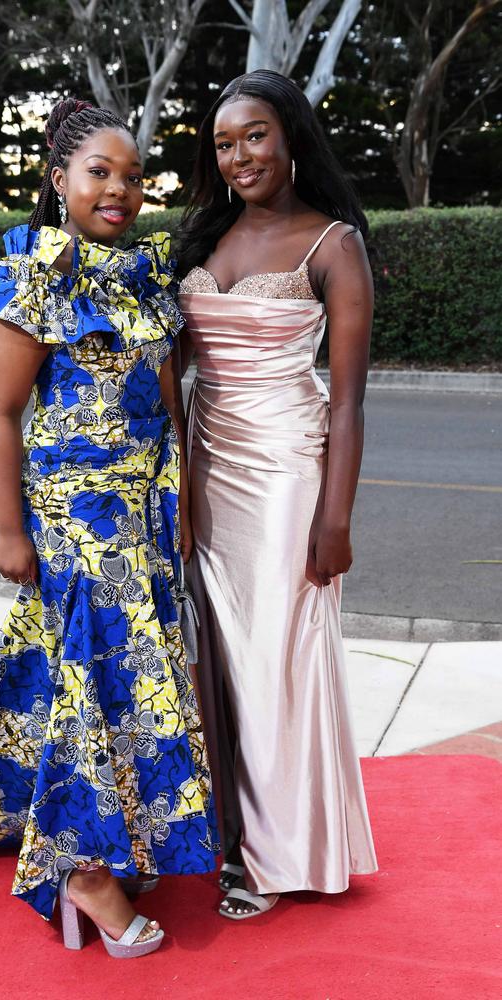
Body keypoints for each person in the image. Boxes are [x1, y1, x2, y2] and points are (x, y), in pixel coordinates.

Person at [0, 97, 217, 958]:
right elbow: (0, 415)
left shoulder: (147, 271)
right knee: (95, 686)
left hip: (146, 520)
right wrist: (10, 532)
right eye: (99, 173)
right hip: (75, 523)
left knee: (105, 679)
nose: (119, 190)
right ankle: (82, 871)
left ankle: (89, 832)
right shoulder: (38, 277)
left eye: (132, 176)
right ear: (58, 179)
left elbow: (168, 407)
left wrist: (178, 506)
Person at [178, 70, 378, 920]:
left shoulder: (332, 245)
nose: (240, 156)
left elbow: (351, 398)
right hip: (204, 465)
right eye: (225, 143)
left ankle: (277, 855)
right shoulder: (203, 236)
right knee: (215, 661)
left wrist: (336, 518)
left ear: (290, 136)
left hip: (289, 475)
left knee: (275, 665)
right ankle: (227, 835)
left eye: (254, 136)